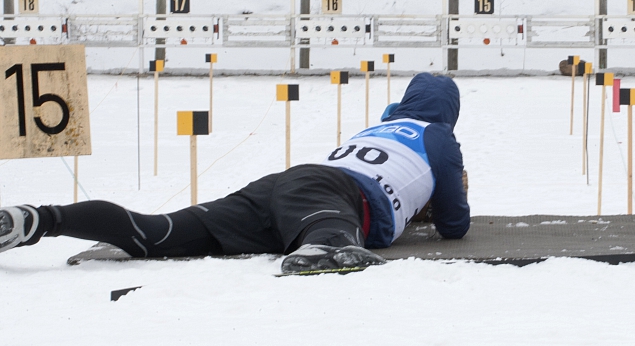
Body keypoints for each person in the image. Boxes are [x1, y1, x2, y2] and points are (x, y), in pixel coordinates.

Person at [0, 73, 470, 273]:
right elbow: (454, 224)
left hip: (284, 189)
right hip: (334, 194)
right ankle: (329, 243)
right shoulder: (439, 137)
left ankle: (41, 219)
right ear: (448, 112)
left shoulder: (377, 126)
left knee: (155, 233)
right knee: (331, 233)